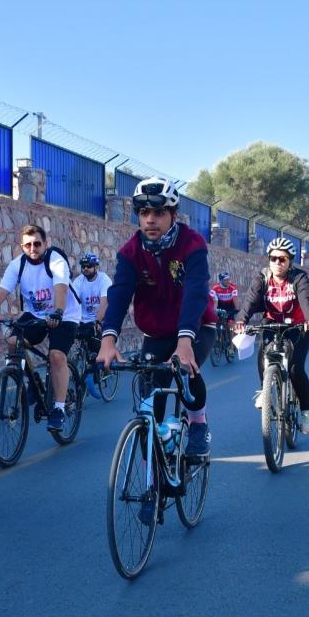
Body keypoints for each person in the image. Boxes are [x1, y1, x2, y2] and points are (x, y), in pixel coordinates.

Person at [96, 176, 216, 459]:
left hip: (196, 327)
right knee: (150, 408)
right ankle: (155, 483)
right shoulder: (130, 252)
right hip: (156, 333)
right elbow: (119, 295)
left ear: (173, 215)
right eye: (144, 213)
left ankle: (198, 423)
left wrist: (185, 341)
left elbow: (196, 292)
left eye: (159, 212)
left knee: (187, 369)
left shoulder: (192, 244)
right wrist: (107, 339)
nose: (150, 219)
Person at [0, 224, 81, 432]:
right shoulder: (18, 265)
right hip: (35, 314)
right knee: (12, 341)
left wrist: (58, 312)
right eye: (27, 245)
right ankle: (30, 380)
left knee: (56, 356)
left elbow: (60, 288)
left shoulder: (55, 260)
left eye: (37, 244)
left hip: (65, 314)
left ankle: (59, 408)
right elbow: (2, 290)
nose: (32, 248)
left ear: (45, 244)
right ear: (22, 247)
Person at [235, 237, 309, 432]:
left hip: (298, 327)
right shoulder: (262, 278)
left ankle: (306, 412)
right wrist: (241, 321)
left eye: (282, 259)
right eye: (273, 259)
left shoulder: (299, 277)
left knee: (296, 369)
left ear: (290, 261)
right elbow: (250, 300)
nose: (277, 263)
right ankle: (264, 391)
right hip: (272, 324)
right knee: (264, 355)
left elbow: (306, 299)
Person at [71, 252, 112, 398]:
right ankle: (82, 373)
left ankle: (99, 370)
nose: (85, 269)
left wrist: (98, 321)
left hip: (102, 317)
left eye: (89, 266)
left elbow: (104, 302)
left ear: (96, 267)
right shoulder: (79, 281)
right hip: (83, 319)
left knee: (99, 346)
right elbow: (73, 300)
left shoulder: (103, 280)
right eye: (83, 266)